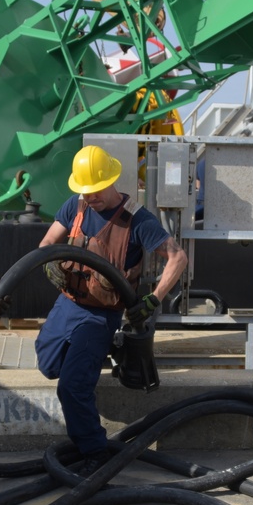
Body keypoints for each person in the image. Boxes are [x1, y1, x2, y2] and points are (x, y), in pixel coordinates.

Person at [35, 145, 188, 477]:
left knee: (72, 387)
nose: (89, 197)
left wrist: (153, 299)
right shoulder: (74, 207)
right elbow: (46, 245)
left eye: (95, 190)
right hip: (67, 304)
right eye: (84, 190)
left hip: (100, 315)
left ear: (111, 180)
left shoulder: (137, 219)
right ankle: (95, 358)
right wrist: (49, 264)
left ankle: (94, 453)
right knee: (46, 363)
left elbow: (177, 257)